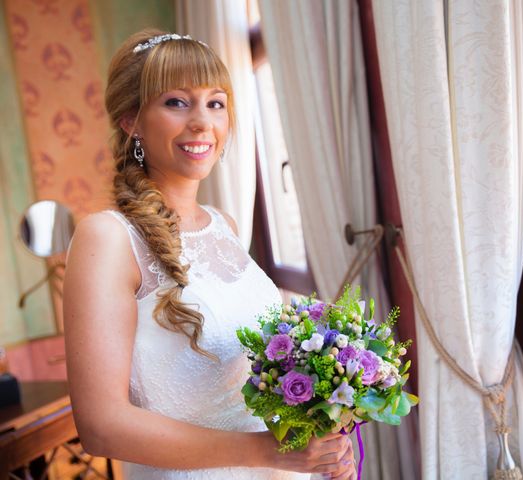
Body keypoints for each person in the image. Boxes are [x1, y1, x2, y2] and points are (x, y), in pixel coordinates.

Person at [63, 29, 355, 480]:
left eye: (215, 103)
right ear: (130, 120)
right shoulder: (107, 238)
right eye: (177, 102)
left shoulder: (225, 225)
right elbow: (101, 426)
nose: (202, 122)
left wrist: (324, 434)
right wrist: (266, 452)